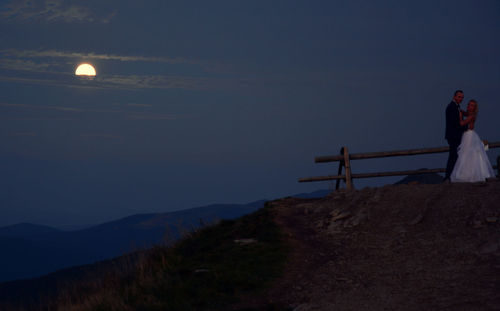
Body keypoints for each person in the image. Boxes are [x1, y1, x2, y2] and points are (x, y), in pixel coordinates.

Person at [450, 100, 495, 182]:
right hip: (467, 135)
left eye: (472, 105)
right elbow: (465, 113)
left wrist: (460, 116)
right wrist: (460, 110)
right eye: (469, 105)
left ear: (474, 108)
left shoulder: (472, 116)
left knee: (467, 153)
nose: (470, 106)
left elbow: (462, 123)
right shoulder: (469, 114)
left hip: (469, 135)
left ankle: (470, 174)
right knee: (466, 154)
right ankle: (467, 173)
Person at [444, 90, 468, 182]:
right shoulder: (452, 107)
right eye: (459, 97)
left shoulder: (456, 107)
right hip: (453, 136)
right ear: (454, 97)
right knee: (453, 156)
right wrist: (466, 127)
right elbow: (455, 123)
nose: (461, 99)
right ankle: (448, 176)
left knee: (455, 156)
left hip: (455, 135)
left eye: (462, 97)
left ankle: (451, 176)